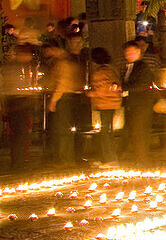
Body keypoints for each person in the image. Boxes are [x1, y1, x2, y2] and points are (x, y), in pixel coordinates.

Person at [44, 36, 82, 167]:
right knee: (61, 129)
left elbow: (62, 83)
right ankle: (64, 157)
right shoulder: (61, 62)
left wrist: (53, 100)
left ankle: (66, 159)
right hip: (65, 97)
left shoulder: (63, 63)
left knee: (63, 130)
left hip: (64, 98)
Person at [120, 40, 156, 166]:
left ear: (138, 52)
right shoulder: (129, 67)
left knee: (139, 132)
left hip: (141, 104)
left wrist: (123, 87)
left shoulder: (142, 67)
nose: (129, 55)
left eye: (132, 52)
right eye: (127, 53)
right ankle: (140, 158)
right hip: (132, 104)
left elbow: (141, 85)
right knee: (134, 132)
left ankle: (143, 159)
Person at [2, 44, 36, 172]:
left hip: (18, 102)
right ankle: (18, 163)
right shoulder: (14, 67)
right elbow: (13, 86)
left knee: (19, 135)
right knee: (19, 135)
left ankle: (18, 162)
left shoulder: (20, 66)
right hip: (17, 103)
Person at [86, 47, 122, 166]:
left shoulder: (101, 72)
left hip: (105, 103)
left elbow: (105, 88)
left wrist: (93, 93)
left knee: (105, 132)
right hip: (111, 102)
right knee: (106, 131)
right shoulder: (112, 69)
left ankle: (110, 159)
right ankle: (106, 158)